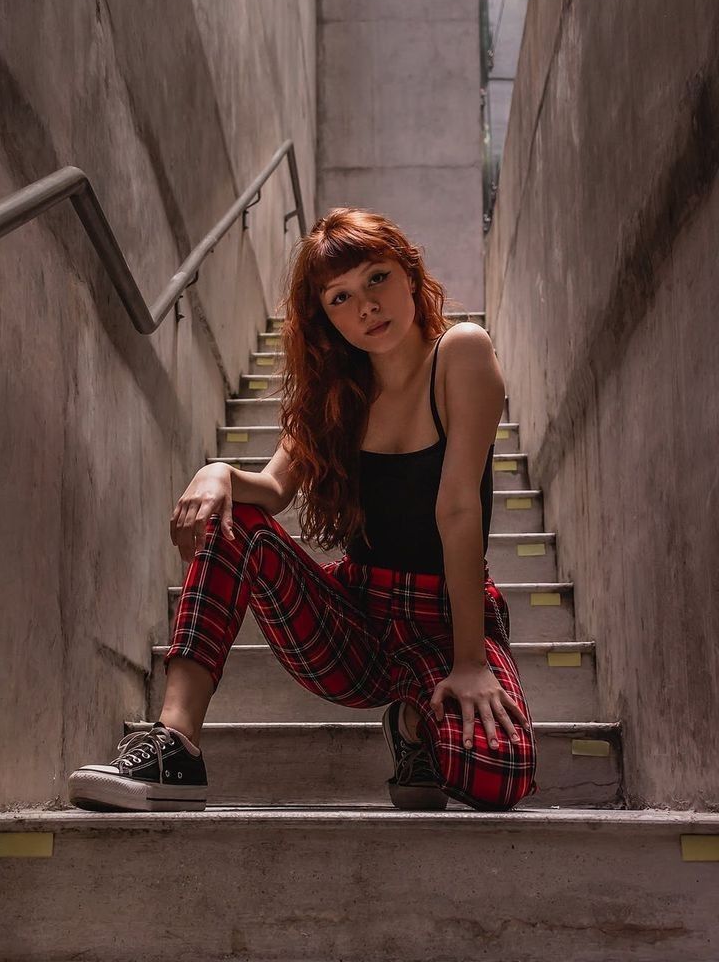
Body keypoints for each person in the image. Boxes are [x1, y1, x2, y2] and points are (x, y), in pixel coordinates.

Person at [68, 208, 538, 813]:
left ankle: (416, 726)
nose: (366, 306)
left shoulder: (460, 354)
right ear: (327, 320)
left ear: (409, 272)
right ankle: (175, 743)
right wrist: (216, 472)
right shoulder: (338, 395)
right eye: (341, 297)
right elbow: (269, 488)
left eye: (376, 277)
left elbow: (457, 510)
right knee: (233, 519)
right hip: (358, 620)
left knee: (496, 777)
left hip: (445, 619)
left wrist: (471, 662)